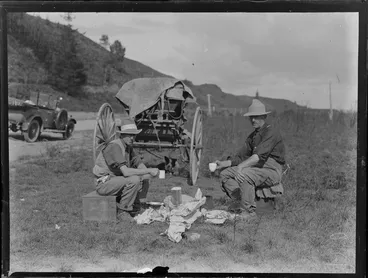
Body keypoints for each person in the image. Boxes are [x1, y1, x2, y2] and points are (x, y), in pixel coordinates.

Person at [213, 99, 286, 219]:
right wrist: (223, 163)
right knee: (225, 174)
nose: (253, 120)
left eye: (256, 117)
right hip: (256, 167)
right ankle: (240, 201)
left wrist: (241, 167)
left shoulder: (271, 132)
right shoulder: (253, 136)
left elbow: (258, 156)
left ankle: (248, 212)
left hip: (272, 170)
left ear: (263, 116)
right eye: (251, 117)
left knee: (244, 174)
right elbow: (242, 157)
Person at [92, 117, 159, 217]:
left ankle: (137, 206)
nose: (132, 138)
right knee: (134, 179)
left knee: (144, 177)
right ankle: (123, 211)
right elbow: (126, 172)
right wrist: (149, 170)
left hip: (116, 181)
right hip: (104, 183)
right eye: (129, 135)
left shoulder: (128, 148)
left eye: (134, 135)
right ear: (122, 135)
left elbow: (139, 164)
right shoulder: (114, 147)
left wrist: (148, 173)